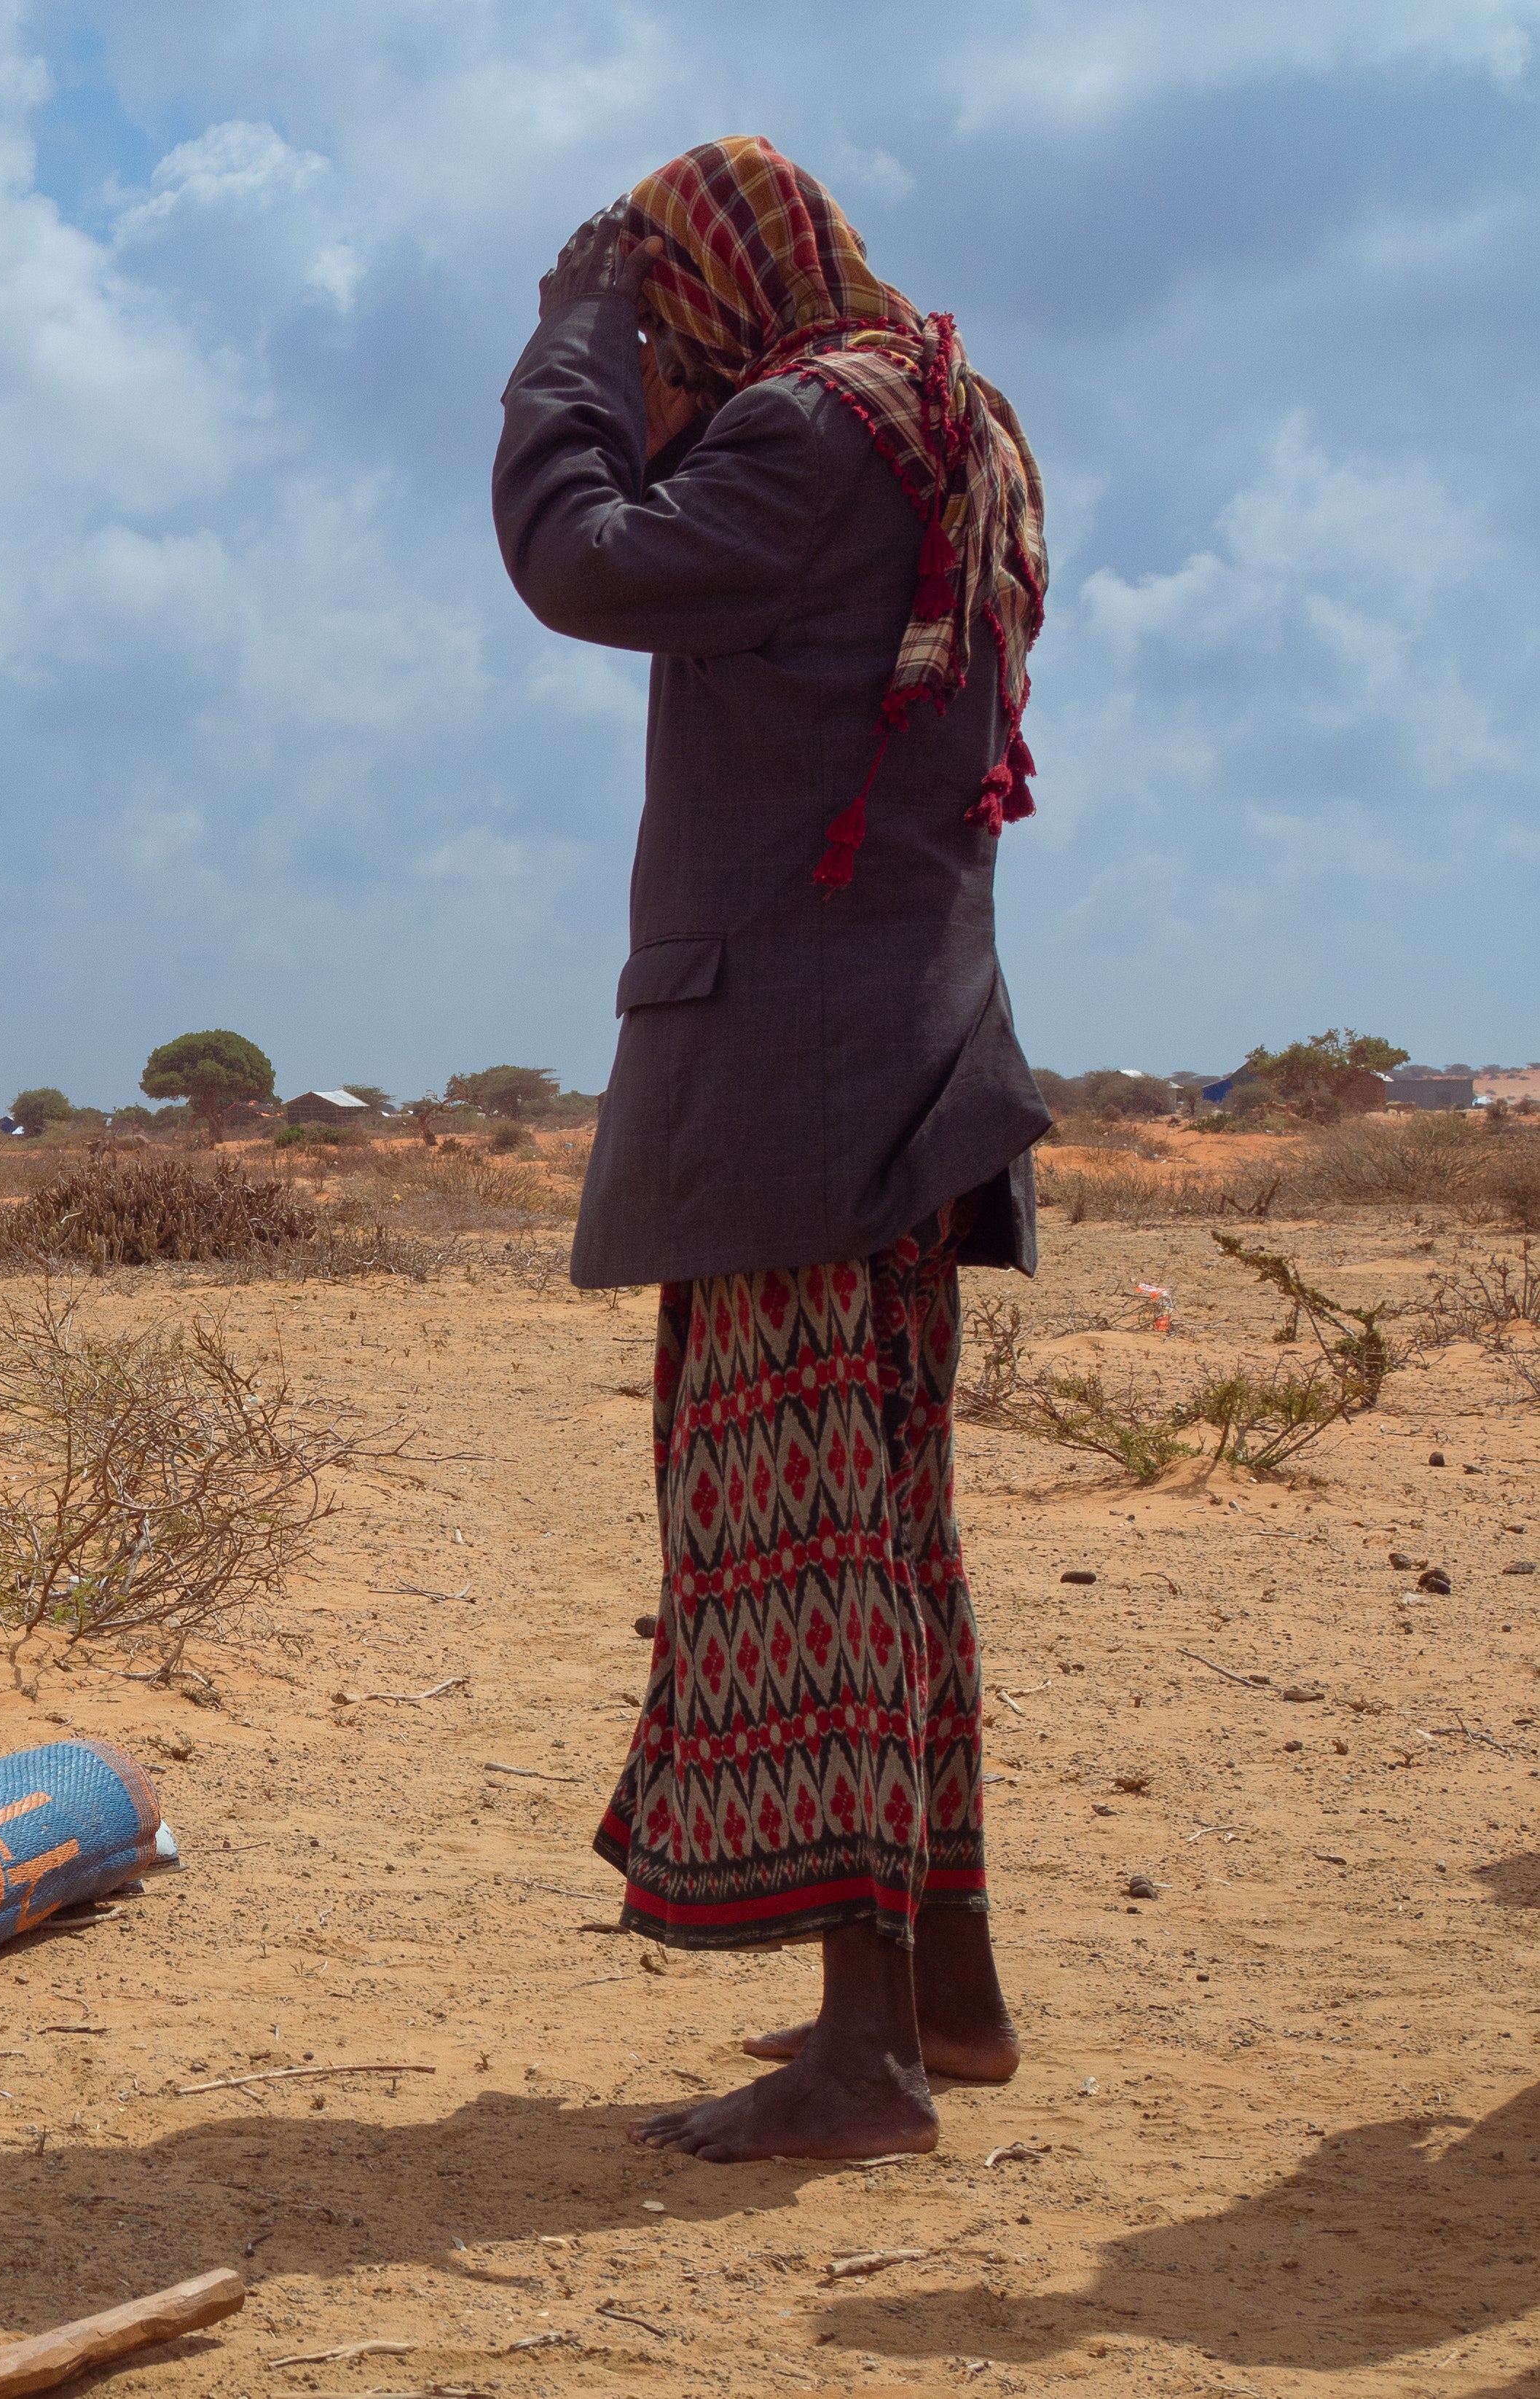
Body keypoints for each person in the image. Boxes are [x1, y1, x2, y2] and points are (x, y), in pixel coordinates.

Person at [490, 136, 1052, 2163]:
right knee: (886, 1547)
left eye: (655, 323)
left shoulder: (812, 427)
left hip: (800, 1082)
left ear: (702, 294)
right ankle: (950, 2000)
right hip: (898, 1059)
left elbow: (584, 566)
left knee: (801, 1557)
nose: (649, 378)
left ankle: (862, 2060)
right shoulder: (937, 413)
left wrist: (561, 347)